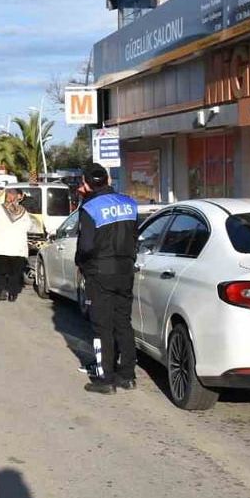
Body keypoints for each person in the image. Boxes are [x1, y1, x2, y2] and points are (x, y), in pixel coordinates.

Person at [75, 163, 139, 394]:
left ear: (87, 183)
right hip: (125, 271)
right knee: (123, 323)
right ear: (108, 180)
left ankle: (106, 378)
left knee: (102, 327)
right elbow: (135, 236)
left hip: (100, 273)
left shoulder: (91, 208)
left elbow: (86, 246)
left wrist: (81, 264)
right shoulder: (129, 203)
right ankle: (128, 375)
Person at [0, 186, 39, 302]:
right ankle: (13, 294)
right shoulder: (23, 212)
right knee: (15, 273)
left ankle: (2, 290)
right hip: (17, 249)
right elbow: (30, 227)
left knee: (0, 272)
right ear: (17, 198)